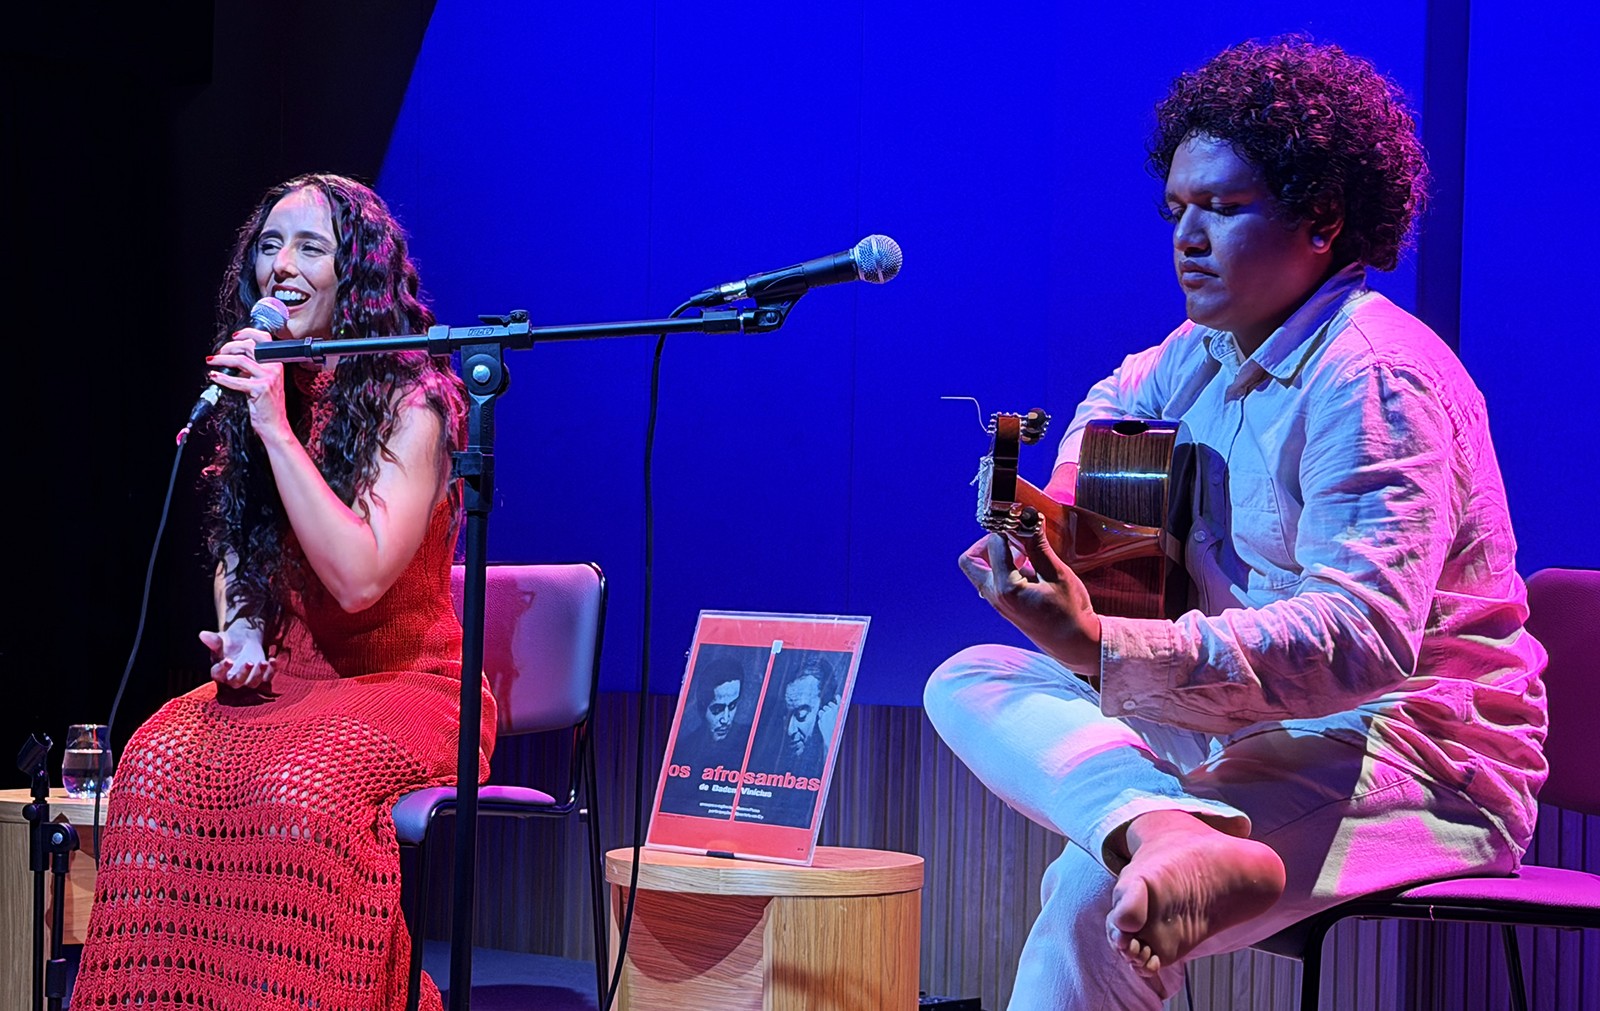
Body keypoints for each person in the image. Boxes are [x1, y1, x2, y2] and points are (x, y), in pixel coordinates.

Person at [925, 39, 1546, 1010]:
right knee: (970, 676)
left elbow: (1360, 641)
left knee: (1095, 896)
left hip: (1406, 755)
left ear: (1320, 218)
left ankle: (1158, 834)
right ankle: (1157, 824)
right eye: (1175, 209)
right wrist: (1059, 515)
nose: (1185, 237)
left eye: (1219, 207)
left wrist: (1100, 644)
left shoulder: (1375, 373)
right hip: (1253, 724)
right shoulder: (1205, 348)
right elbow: (1112, 400)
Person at [71, 174, 496, 1011]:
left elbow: (360, 577)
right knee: (154, 763)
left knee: (301, 787)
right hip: (292, 676)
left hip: (405, 681)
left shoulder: (415, 402)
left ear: (358, 273)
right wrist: (241, 632)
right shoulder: (273, 389)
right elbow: (242, 537)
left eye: (310, 247)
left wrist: (273, 428)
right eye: (269, 246)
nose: (282, 266)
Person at [659, 653, 753, 816]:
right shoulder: (683, 751)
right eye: (717, 709)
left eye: (732, 706)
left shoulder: (752, 742)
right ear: (702, 707)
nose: (726, 719)